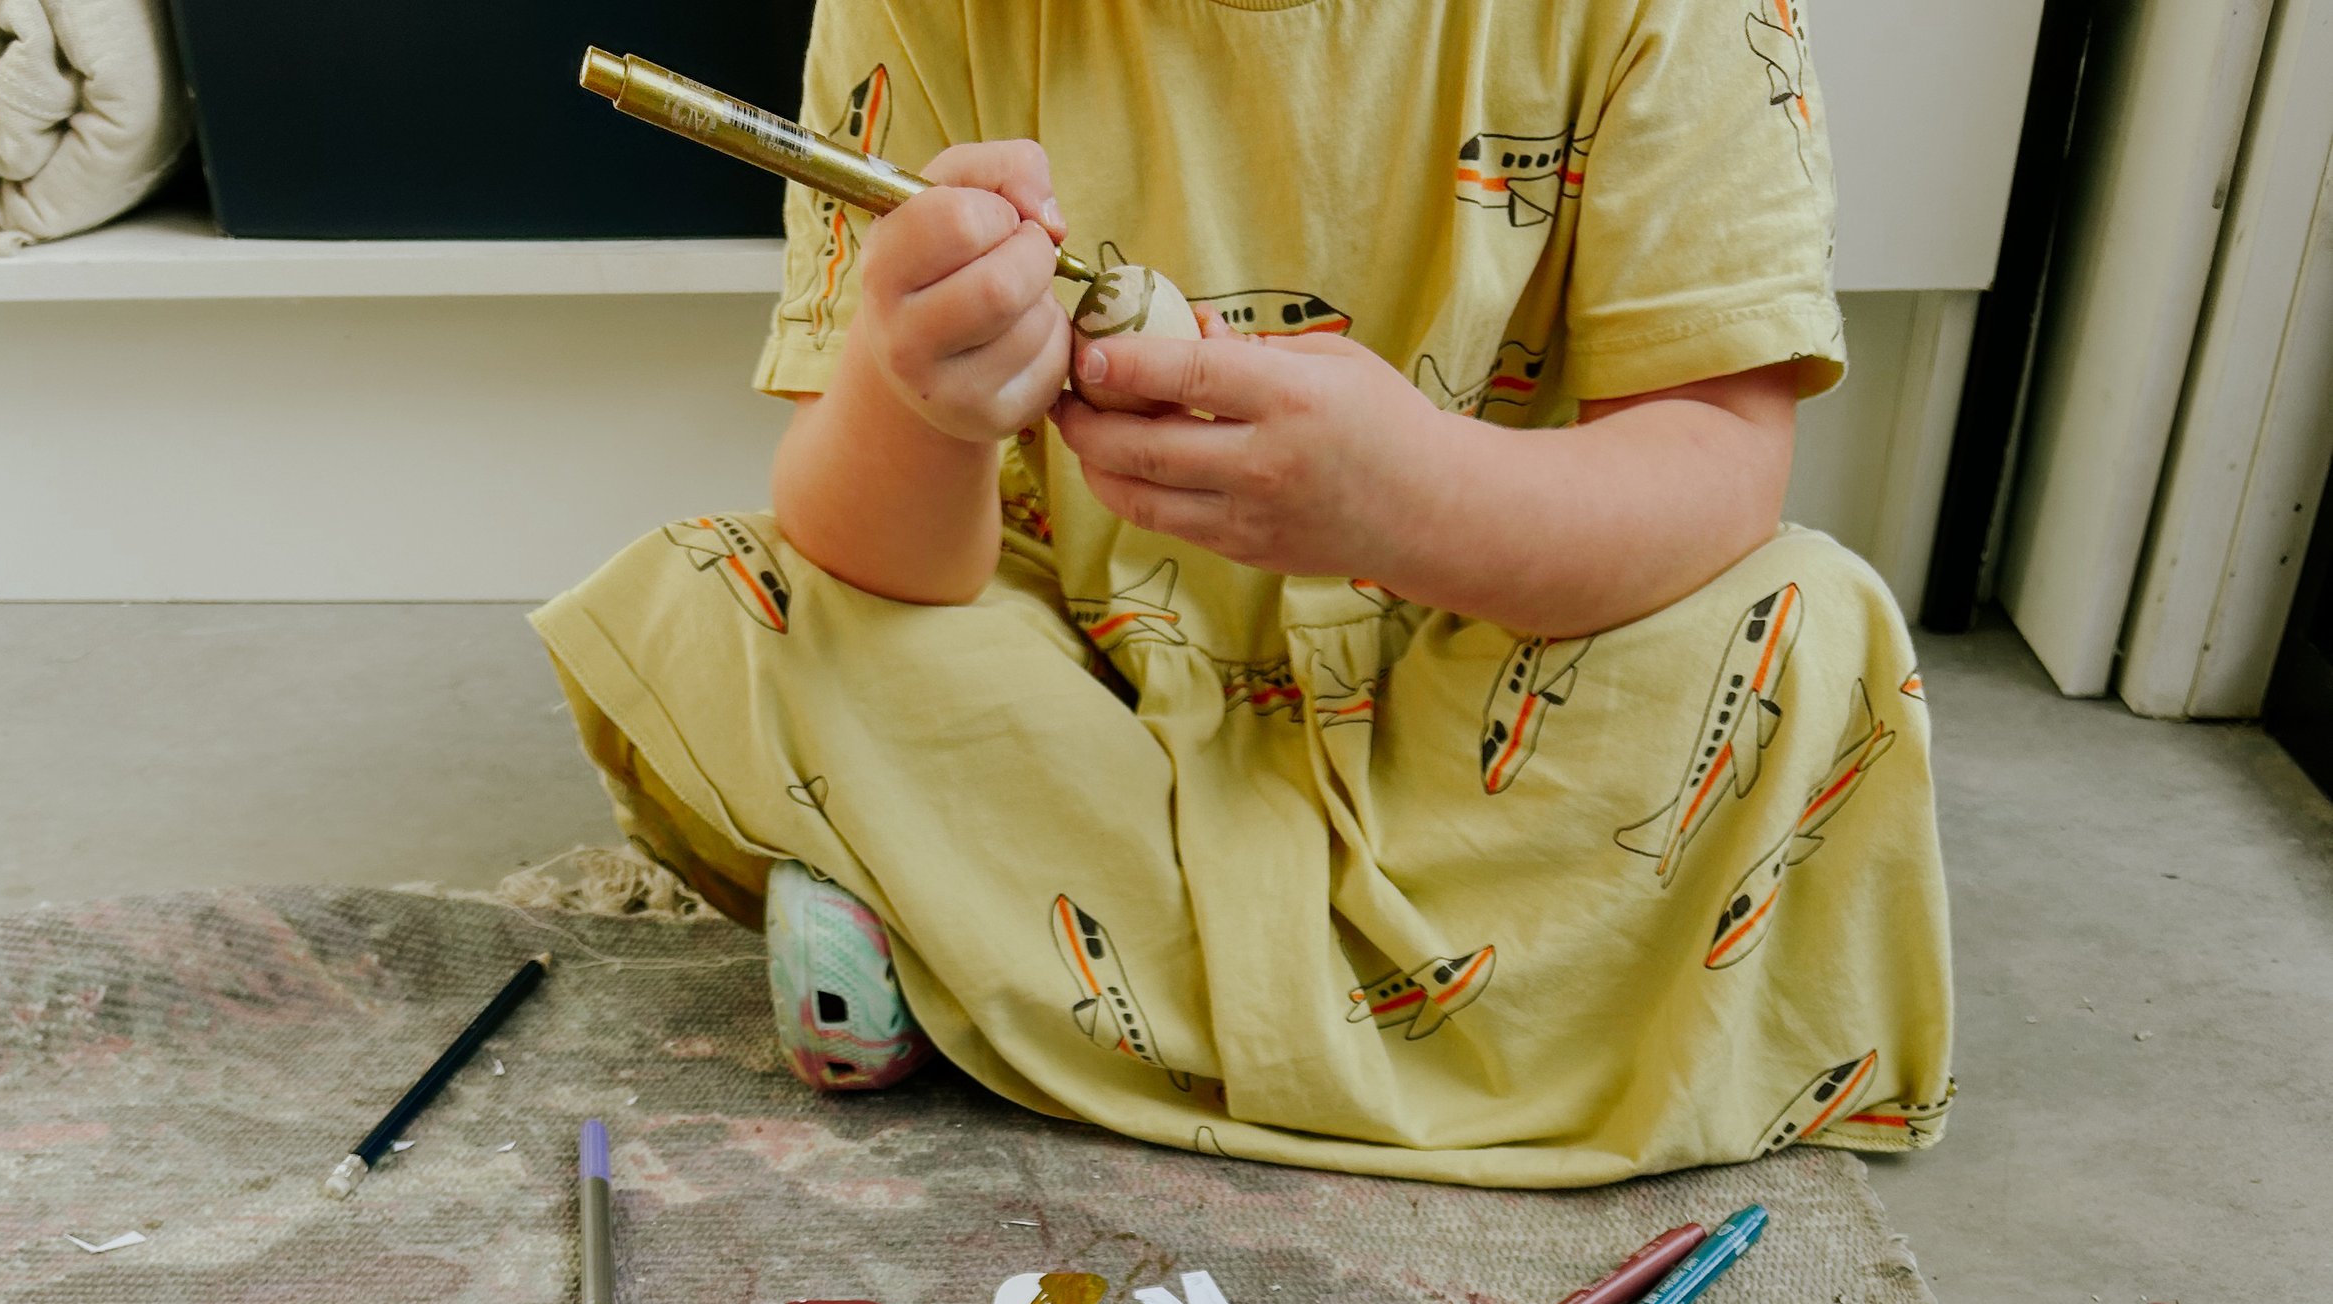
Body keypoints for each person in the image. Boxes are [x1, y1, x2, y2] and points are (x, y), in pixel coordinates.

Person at [534, 0, 1953, 1187]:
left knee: (1813, 632)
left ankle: (975, 965)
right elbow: (877, 556)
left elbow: (1717, 468)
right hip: (1086, 669)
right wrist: (919, 397)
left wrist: (1415, 501)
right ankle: (1530, 1021)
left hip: (1489, 672)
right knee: (730, 605)